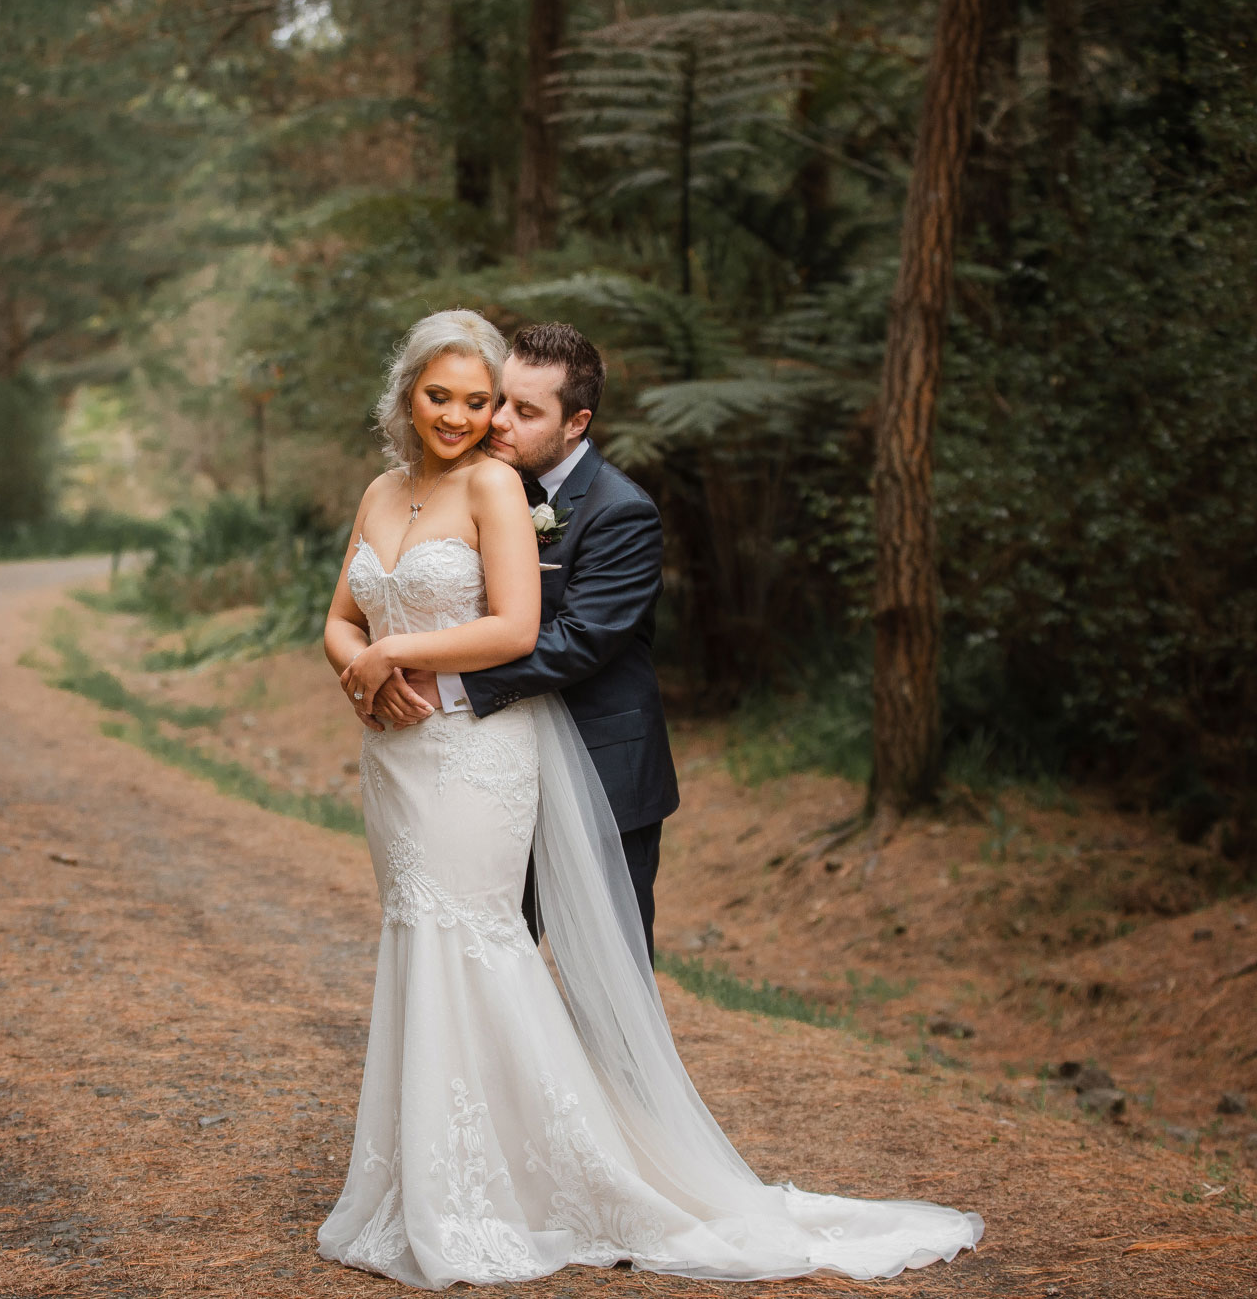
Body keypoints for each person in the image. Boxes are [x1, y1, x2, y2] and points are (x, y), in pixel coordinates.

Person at [317, 309, 983, 1289]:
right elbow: (343, 613)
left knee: (579, 977)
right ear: (406, 394)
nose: (484, 421)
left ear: (571, 423)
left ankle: (609, 1169)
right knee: (441, 947)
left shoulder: (600, 505)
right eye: (457, 399)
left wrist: (401, 661)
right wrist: (358, 673)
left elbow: (555, 635)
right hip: (413, 759)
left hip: (561, 758)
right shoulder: (398, 488)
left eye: (501, 405)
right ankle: (459, 1166)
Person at [362, 320, 675, 963]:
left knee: (608, 971)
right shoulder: (494, 485)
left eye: (525, 410)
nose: (499, 420)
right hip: (502, 769)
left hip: (601, 766)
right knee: (500, 956)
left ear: (576, 423)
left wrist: (446, 681)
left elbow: (580, 640)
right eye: (499, 400)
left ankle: (615, 1071)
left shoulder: (622, 511)